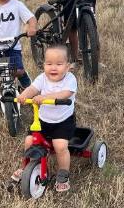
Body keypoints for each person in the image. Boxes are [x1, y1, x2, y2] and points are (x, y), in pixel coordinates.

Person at [12, 45, 77, 193]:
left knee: (60, 146)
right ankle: (25, 167)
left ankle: (63, 174)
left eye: (59, 64)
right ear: (44, 65)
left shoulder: (70, 79)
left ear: (67, 67)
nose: (53, 68)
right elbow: (33, 88)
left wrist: (45, 97)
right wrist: (24, 95)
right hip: (42, 120)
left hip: (63, 122)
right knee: (29, 141)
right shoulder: (42, 78)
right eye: (49, 63)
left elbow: (65, 94)